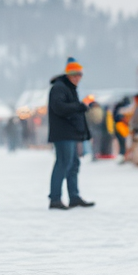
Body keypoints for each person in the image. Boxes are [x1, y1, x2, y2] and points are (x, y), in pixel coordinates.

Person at [47, 57, 94, 210]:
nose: (77, 78)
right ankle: (55, 198)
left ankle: (74, 197)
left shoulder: (69, 88)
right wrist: (79, 107)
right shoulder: (60, 88)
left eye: (79, 75)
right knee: (63, 163)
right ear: (68, 75)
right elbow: (59, 107)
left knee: (73, 164)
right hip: (63, 134)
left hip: (70, 133)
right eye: (74, 75)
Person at [123, 93, 138, 164]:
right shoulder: (136, 107)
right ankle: (134, 159)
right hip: (135, 129)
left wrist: (136, 127)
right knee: (132, 145)